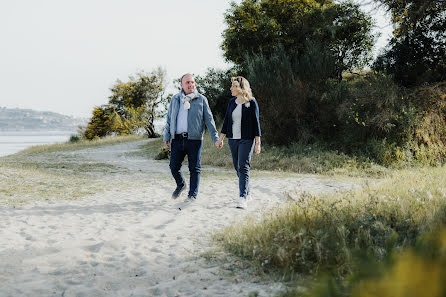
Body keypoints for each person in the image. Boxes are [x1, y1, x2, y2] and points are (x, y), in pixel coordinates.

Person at [163, 73, 220, 202]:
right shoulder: (175, 99)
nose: (191, 85)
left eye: (192, 82)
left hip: (194, 140)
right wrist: (166, 135)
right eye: (188, 82)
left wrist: (215, 138)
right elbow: (169, 119)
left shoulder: (201, 99)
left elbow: (209, 120)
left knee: (194, 168)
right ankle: (181, 184)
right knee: (173, 167)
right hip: (177, 139)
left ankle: (192, 194)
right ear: (181, 85)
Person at [216, 76, 261, 209]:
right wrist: (221, 139)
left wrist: (258, 143)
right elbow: (226, 122)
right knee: (238, 167)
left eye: (233, 86)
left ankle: (242, 198)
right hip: (233, 139)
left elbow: (256, 123)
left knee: (243, 166)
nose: (231, 88)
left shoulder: (252, 102)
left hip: (247, 139)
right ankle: (248, 192)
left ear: (241, 88)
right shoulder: (231, 102)